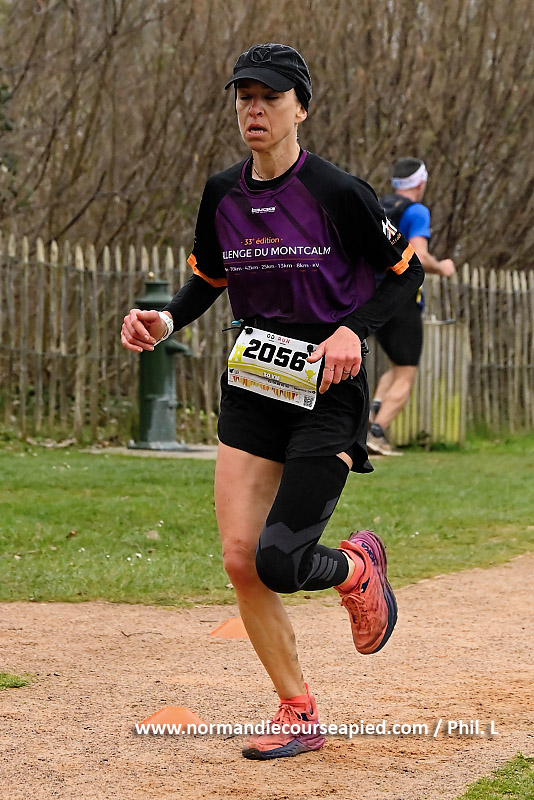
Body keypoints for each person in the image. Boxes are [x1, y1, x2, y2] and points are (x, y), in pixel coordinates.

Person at [121, 43, 423, 760]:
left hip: (327, 391)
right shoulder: (221, 193)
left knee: (281, 561)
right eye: (245, 97)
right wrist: (167, 320)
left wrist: (351, 330)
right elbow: (208, 279)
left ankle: (356, 569)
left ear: (300, 109)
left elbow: (404, 275)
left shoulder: (337, 192)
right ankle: (297, 709)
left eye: (271, 97)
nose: (254, 110)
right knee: (240, 560)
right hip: (255, 388)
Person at [367, 157, 456, 456]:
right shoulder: (417, 211)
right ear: (421, 182)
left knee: (396, 365)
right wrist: (442, 268)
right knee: (407, 372)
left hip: (372, 296)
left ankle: (371, 419)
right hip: (402, 298)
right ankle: (377, 433)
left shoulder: (378, 207)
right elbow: (418, 255)